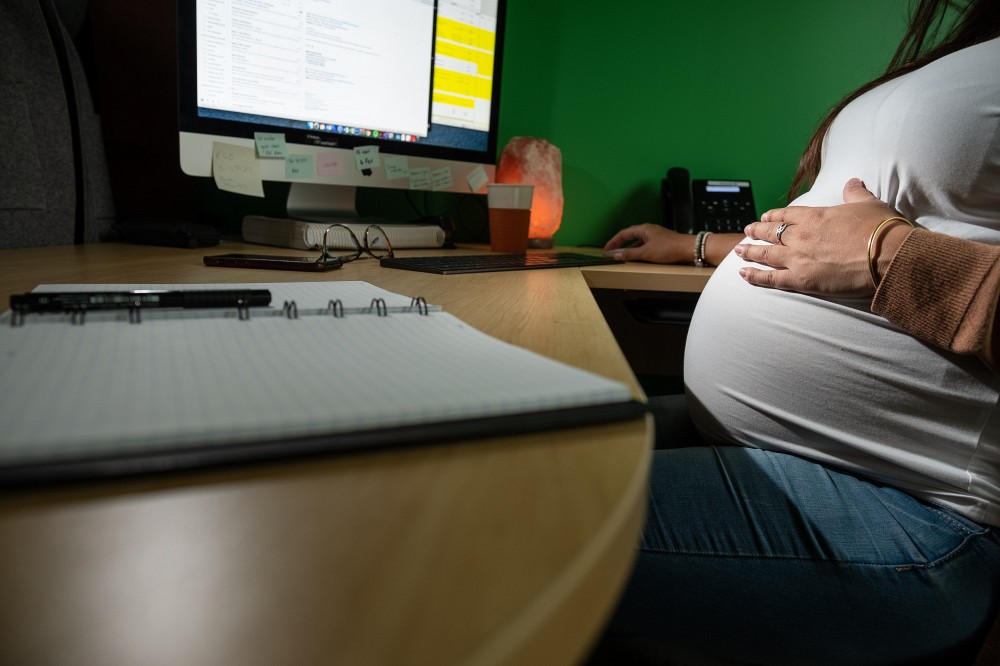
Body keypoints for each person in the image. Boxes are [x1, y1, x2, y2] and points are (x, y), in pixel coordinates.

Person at [593, 1, 1000, 663]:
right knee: (488, 454)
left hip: (919, 513)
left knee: (478, 515)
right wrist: (695, 243)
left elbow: (874, 245)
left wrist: (891, 256)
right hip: (804, 455)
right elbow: (832, 236)